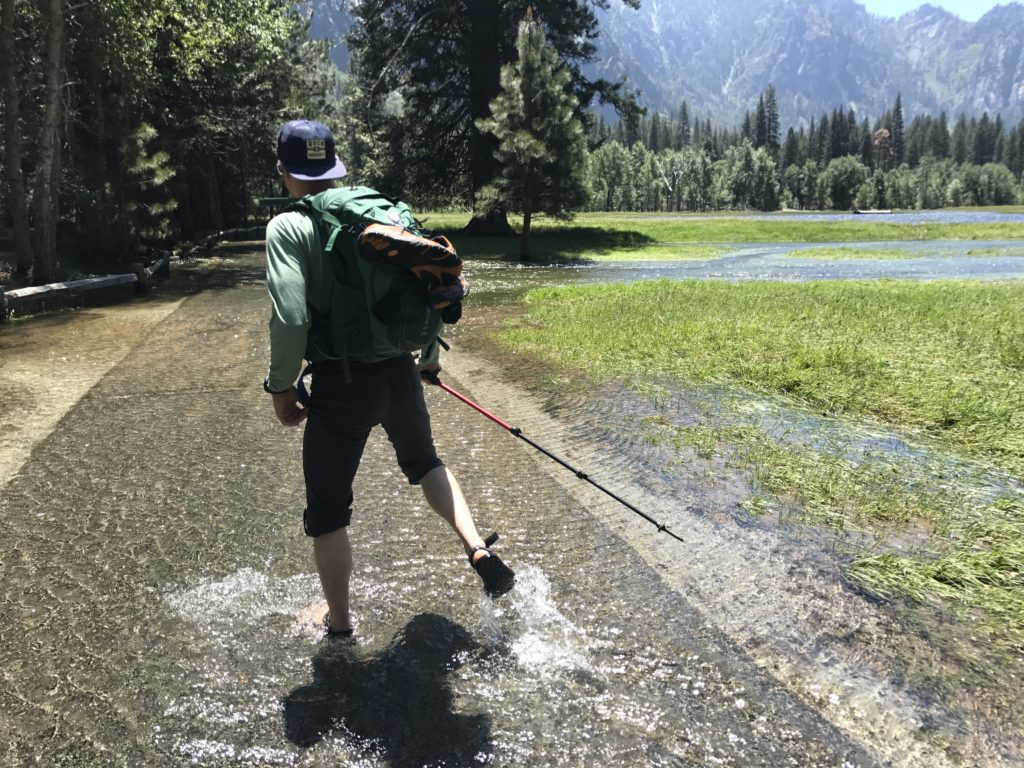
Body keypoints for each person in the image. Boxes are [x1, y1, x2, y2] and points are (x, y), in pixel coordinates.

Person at [263, 119, 515, 638]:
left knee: (328, 512)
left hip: (341, 386)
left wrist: (282, 389)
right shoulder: (381, 214)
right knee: (425, 463)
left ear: (284, 172)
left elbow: (290, 319)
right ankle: (475, 545)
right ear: (335, 169)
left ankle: (338, 622)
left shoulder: (288, 227)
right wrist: (427, 358)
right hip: (400, 371)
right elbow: (429, 284)